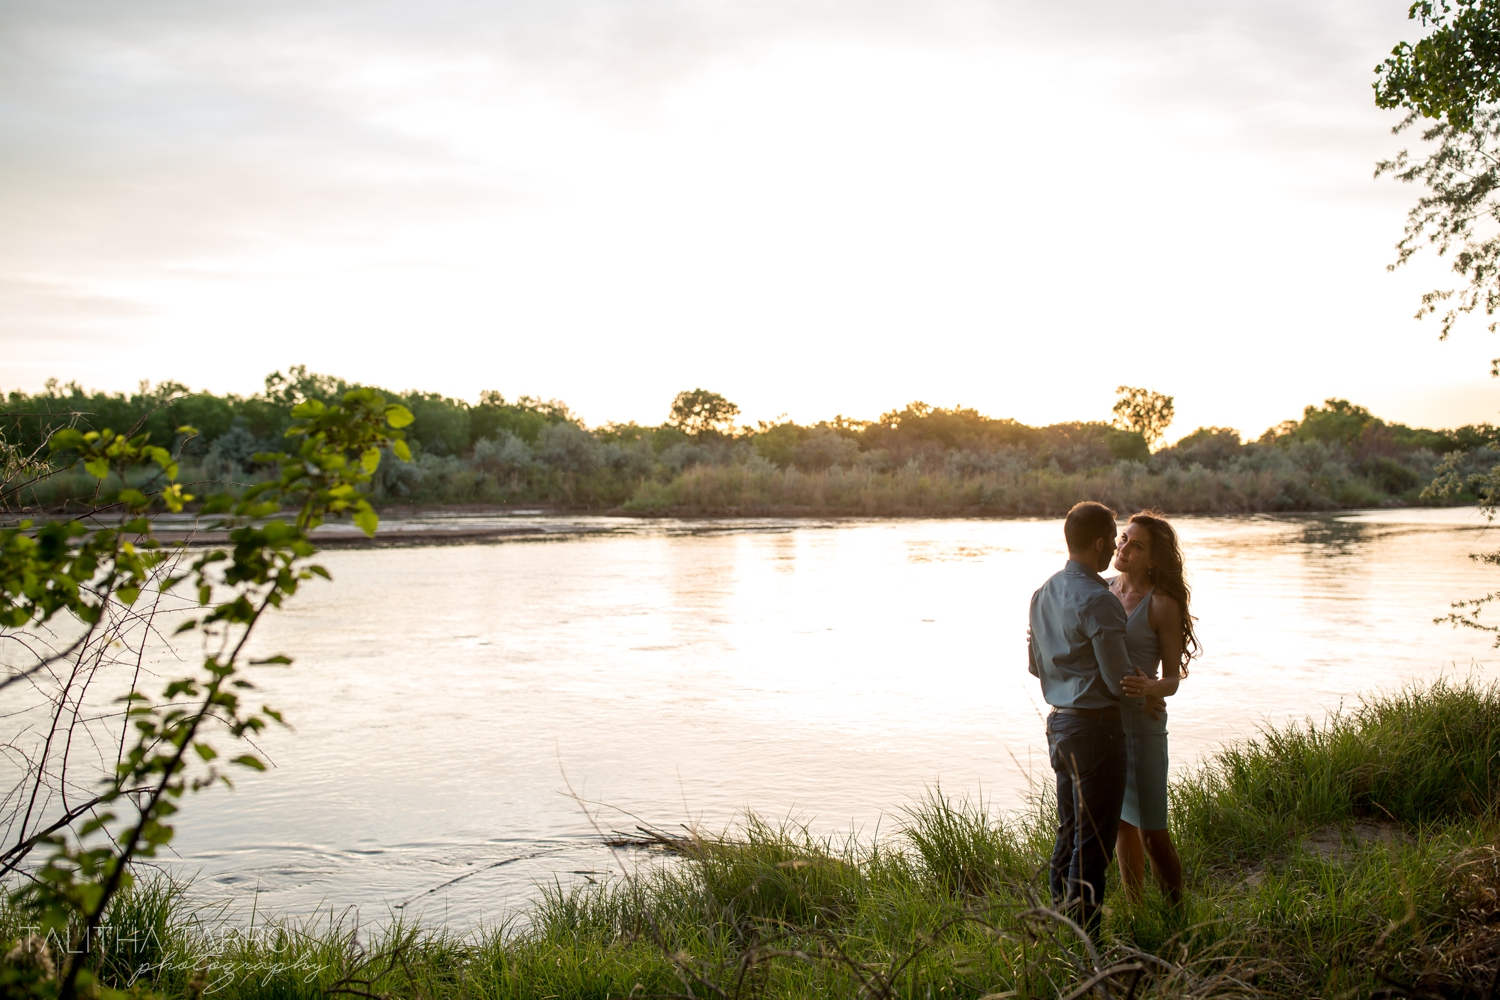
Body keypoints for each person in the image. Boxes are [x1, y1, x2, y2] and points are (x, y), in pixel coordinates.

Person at [1027, 500, 1136, 934]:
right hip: (1096, 730)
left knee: (1069, 832)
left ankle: (1060, 925)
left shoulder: (1043, 593)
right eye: (1113, 538)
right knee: (1093, 844)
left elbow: (1036, 665)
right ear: (1099, 543)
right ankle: (1085, 940)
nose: (1115, 546)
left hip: (1060, 724)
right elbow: (1117, 680)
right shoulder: (1100, 601)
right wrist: (1146, 689)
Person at [1110, 510, 1200, 906]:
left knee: (1153, 831)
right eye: (1124, 538)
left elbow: (1173, 681)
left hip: (1144, 729)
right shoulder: (1101, 591)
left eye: (1137, 545)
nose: (1124, 546)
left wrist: (1150, 686)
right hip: (1106, 725)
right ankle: (1136, 911)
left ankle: (1177, 914)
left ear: (1154, 560)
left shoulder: (1162, 604)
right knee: (1121, 825)